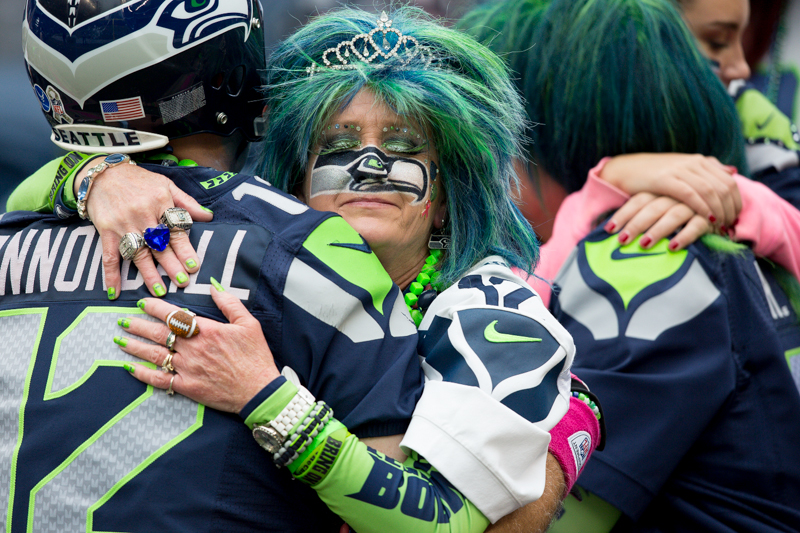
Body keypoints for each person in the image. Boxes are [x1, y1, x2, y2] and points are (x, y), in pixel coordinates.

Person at [5, 3, 601, 532]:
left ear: (448, 192)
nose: (369, 165)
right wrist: (97, 176)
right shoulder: (265, 264)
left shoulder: (490, 313)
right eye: (338, 145)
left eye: (402, 145)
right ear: (291, 178)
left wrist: (264, 397)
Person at [463, 0, 800, 530]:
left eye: (488, 136)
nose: (475, 169)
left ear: (552, 128)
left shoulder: (640, 255)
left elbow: (543, 520)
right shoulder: (699, 240)